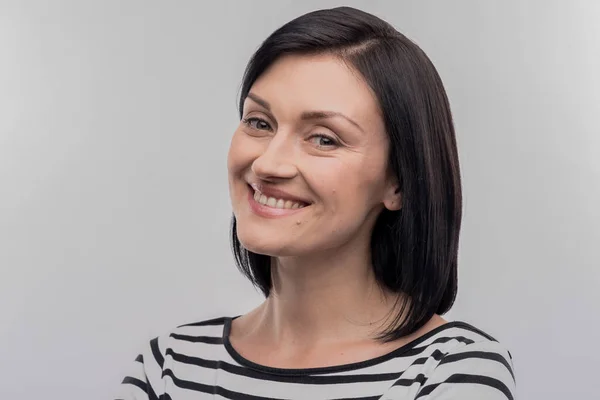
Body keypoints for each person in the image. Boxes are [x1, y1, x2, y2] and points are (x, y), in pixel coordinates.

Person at [116, 6, 516, 400]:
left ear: (398, 183)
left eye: (324, 138)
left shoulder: (450, 370)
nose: (267, 163)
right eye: (259, 122)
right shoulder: (169, 366)